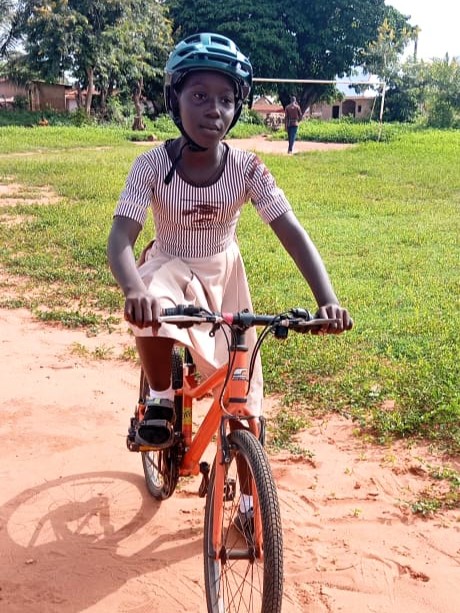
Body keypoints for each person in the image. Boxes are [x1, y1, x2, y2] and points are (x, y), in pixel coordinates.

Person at [107, 32, 352, 466]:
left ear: (238, 109)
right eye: (199, 95)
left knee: (243, 391)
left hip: (225, 273)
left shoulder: (247, 168)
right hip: (170, 263)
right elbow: (121, 238)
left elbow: (291, 232)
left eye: (226, 100)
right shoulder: (151, 165)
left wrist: (327, 299)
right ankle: (160, 396)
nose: (213, 110)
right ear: (174, 99)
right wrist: (133, 291)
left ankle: (247, 486)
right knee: (152, 302)